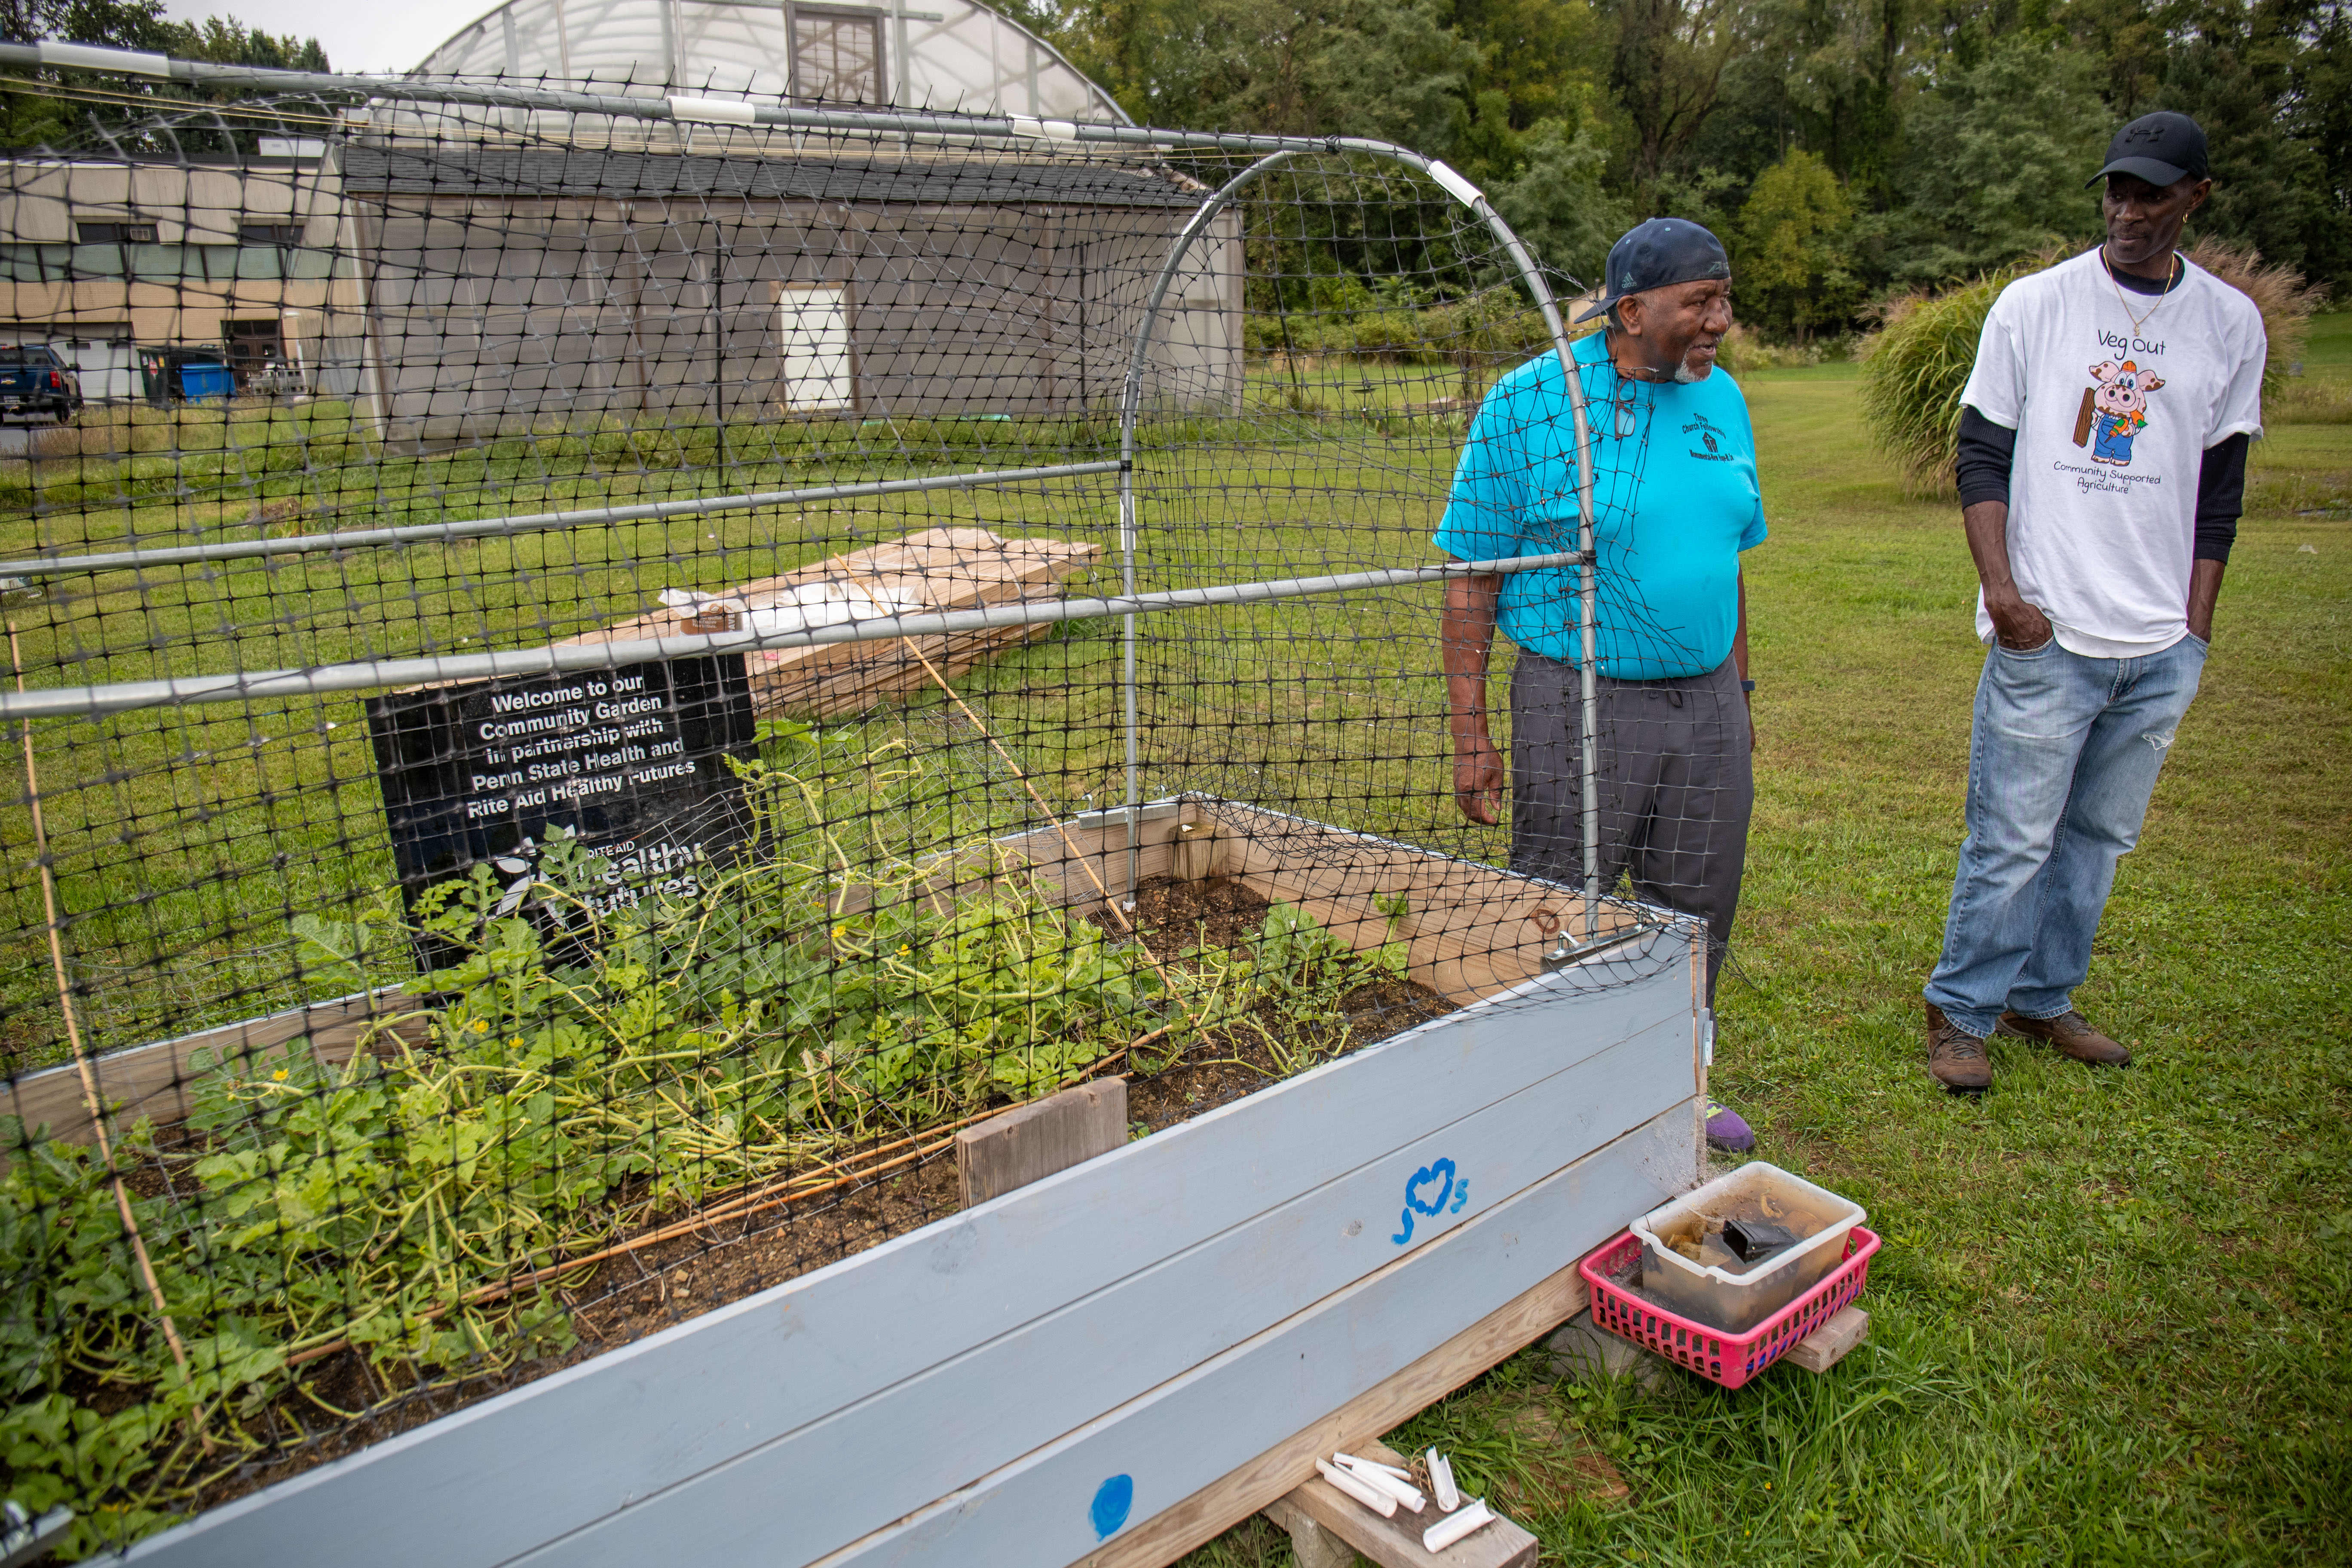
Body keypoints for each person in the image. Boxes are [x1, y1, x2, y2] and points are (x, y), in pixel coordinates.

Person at [1922, 111, 2263, 1090]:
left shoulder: (2231, 324)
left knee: (2099, 837)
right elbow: (1981, 453)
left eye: (2152, 193)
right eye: (2116, 190)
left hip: (2158, 643)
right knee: (2016, 835)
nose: (2127, 210)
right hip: (2051, 630)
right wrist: (2007, 595)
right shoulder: (2036, 306)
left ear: (2195, 197)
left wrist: (2193, 630)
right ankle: (1961, 1009)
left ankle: (2041, 1000)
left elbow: (2221, 489)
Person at [1433, 217, 1765, 1151]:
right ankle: (1538, 1098)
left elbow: (1729, 556)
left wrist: (1738, 695)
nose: (1721, 321)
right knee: (1560, 904)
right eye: (1700, 302)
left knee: (1697, 907)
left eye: (1724, 299)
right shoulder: (1530, 405)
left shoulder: (1723, 400)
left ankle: (1678, 1087)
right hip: (1576, 698)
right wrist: (1471, 736)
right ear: (1631, 310)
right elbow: (1469, 580)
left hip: (1704, 703)